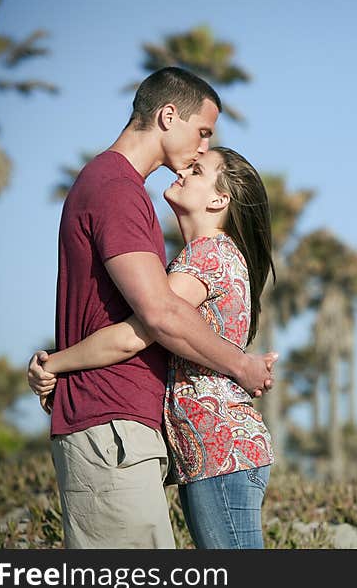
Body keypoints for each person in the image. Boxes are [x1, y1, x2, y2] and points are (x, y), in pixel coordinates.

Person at [29, 67, 277, 549]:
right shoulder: (118, 189)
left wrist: (54, 363)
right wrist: (241, 366)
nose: (203, 148)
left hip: (152, 436)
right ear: (168, 116)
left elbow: (152, 320)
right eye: (203, 133)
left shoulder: (178, 232)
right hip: (114, 425)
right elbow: (158, 316)